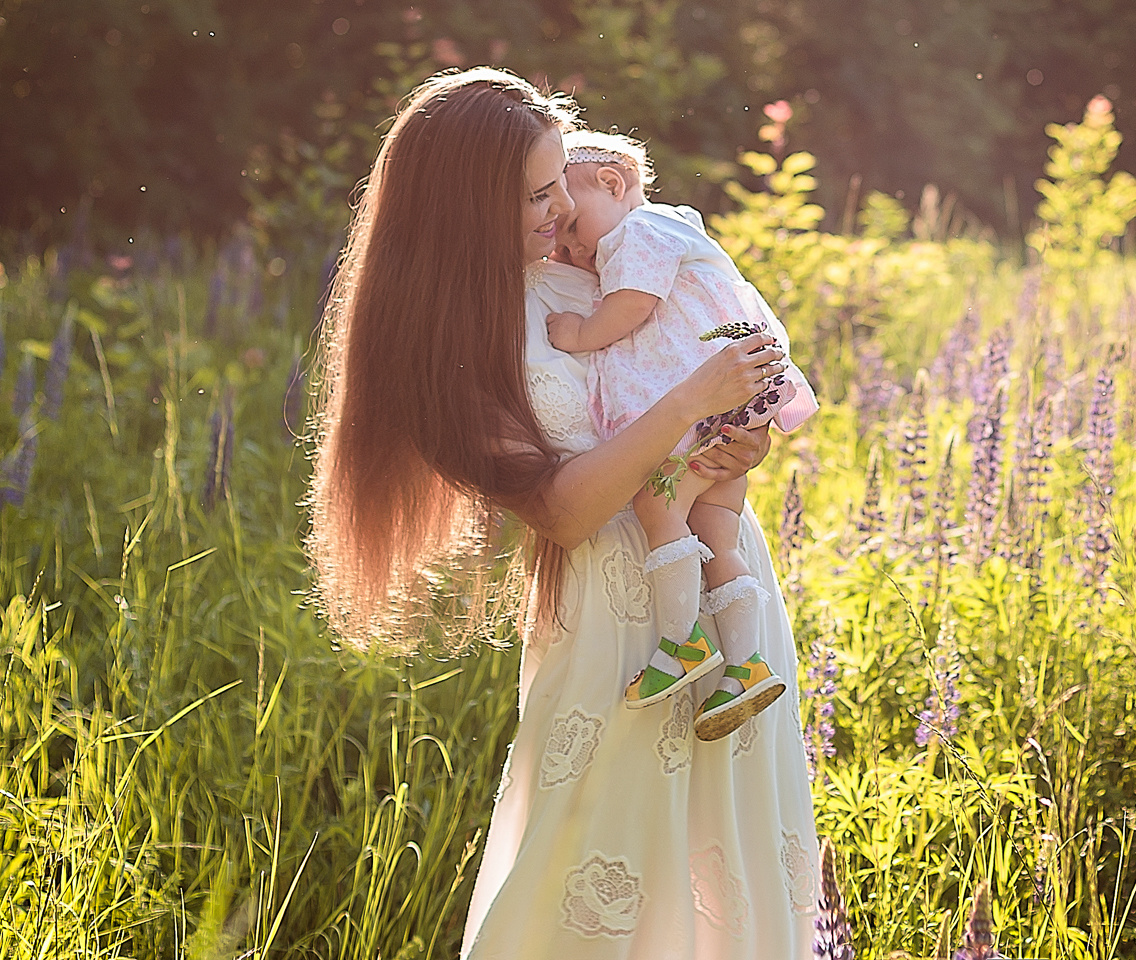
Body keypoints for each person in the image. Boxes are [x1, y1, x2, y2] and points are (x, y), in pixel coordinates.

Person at [304, 67, 821, 957]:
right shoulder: (449, 340)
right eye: (537, 193)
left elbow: (690, 364)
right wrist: (689, 404)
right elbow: (564, 512)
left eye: (559, 185)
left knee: (730, 879)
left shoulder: (591, 267)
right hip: (615, 627)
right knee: (593, 887)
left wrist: (739, 437)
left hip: (717, 579)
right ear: (467, 206)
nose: (561, 209)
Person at [543, 130, 817, 740]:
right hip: (734, 401)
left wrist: (583, 333)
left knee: (655, 502)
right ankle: (745, 664)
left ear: (613, 185)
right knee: (718, 529)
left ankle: (682, 642)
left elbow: (635, 306)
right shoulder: (673, 231)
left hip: (705, 403)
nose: (569, 248)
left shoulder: (638, 233)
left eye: (572, 226)